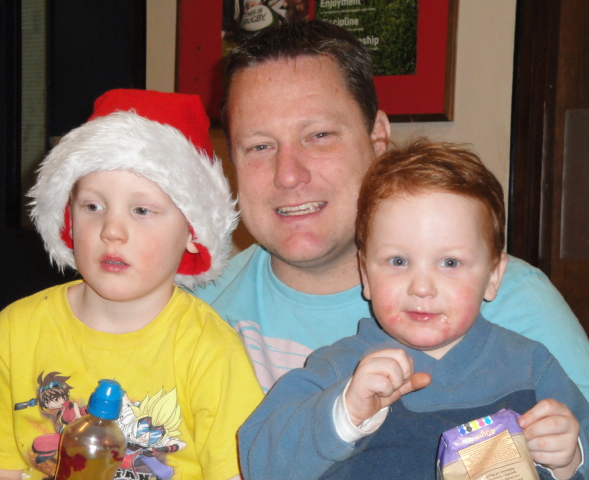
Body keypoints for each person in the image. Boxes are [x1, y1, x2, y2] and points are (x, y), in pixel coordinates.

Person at [194, 19, 589, 397]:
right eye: (259, 146)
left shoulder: (510, 305)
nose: (288, 175)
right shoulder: (193, 310)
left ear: (378, 138)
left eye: (319, 135)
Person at [0, 89, 263, 480]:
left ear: (192, 231)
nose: (112, 230)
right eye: (93, 206)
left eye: (142, 210)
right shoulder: (14, 334)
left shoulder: (212, 352)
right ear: (68, 218)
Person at [238, 139, 589, 480]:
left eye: (450, 262)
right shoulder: (339, 370)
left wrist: (569, 459)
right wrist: (346, 412)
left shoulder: (531, 368)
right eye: (398, 261)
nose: (421, 287)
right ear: (365, 274)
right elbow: (259, 463)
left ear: (493, 276)